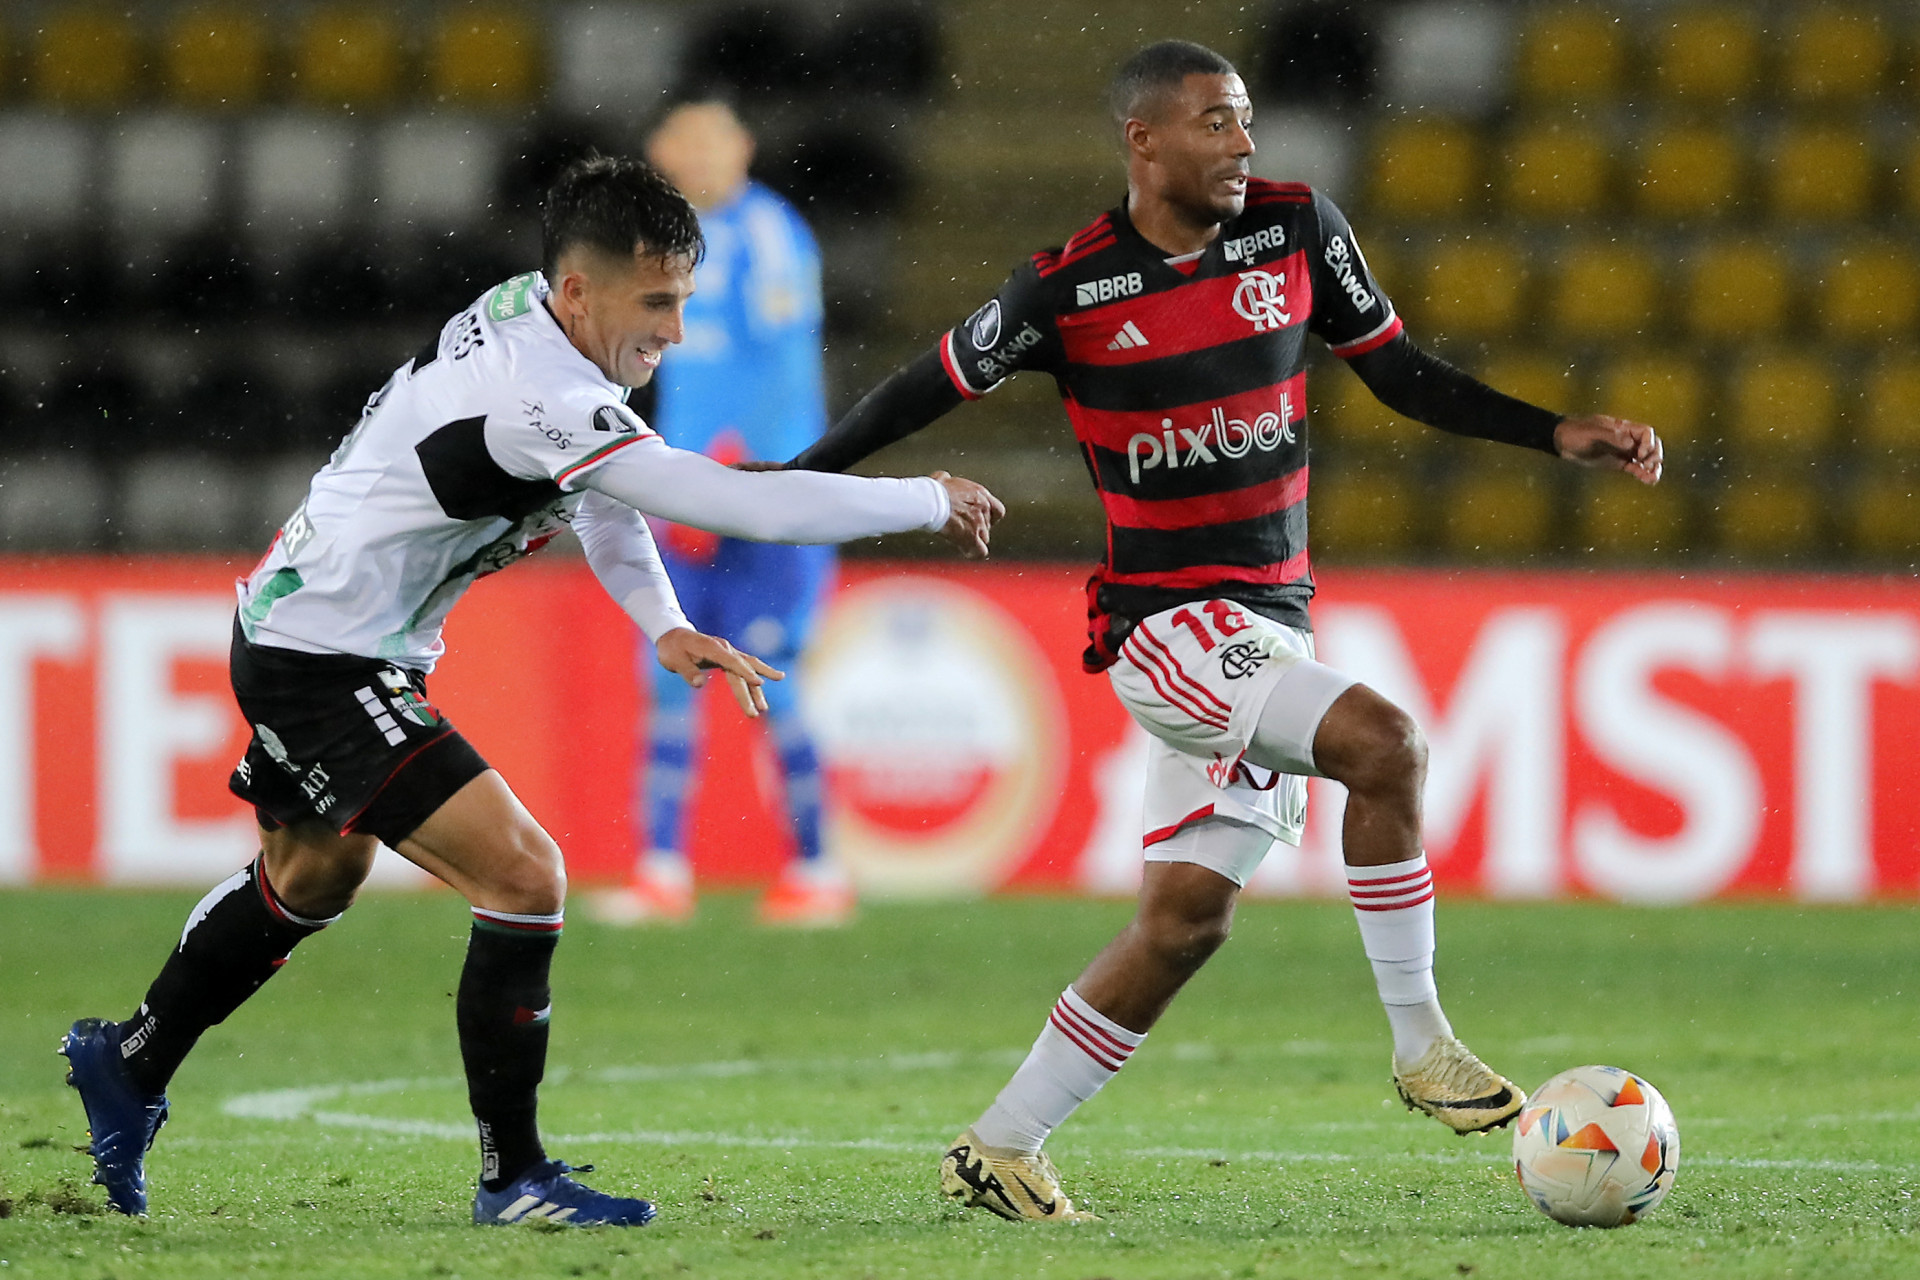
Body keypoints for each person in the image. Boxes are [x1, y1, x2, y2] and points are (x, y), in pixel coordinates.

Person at [780, 41, 1664, 1222]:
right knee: (1387, 743)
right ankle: (1422, 1043)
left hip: (1266, 625)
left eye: (1245, 120)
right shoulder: (1068, 287)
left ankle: (1001, 1144)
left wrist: (1551, 431)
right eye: (1214, 122)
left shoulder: (1297, 232)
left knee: (1186, 922)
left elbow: (1400, 373)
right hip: (1165, 626)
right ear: (1143, 140)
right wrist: (796, 484)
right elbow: (923, 386)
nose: (1244, 143)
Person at [59, 154, 1002, 1226]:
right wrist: (925, 499)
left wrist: (665, 623)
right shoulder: (538, 392)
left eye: (684, 300)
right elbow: (736, 503)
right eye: (658, 304)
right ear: (580, 291)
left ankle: (127, 1062)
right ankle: (514, 1177)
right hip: (323, 656)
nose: (677, 330)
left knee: (314, 873)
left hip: (311, 625)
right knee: (522, 874)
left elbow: (601, 491)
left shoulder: (539, 321)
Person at [593, 98, 848, 928]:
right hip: (686, 497)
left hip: (761, 500)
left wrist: (737, 481)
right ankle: (661, 871)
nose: (700, 155)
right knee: (669, 682)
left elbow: (784, 368)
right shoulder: (659, 245)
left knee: (776, 681)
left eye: (715, 139)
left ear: (744, 146)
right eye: (685, 141)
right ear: (660, 152)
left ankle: (817, 871)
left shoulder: (769, 234)